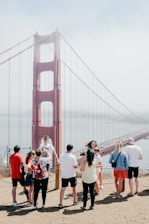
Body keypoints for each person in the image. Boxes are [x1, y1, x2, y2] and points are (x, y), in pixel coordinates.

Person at [58, 144, 78, 208]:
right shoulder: (73, 156)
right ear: (72, 149)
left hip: (64, 175)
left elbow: (59, 163)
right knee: (74, 189)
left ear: (66, 148)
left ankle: (60, 203)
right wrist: (78, 166)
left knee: (63, 189)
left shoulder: (62, 155)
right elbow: (75, 166)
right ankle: (75, 201)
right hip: (72, 175)